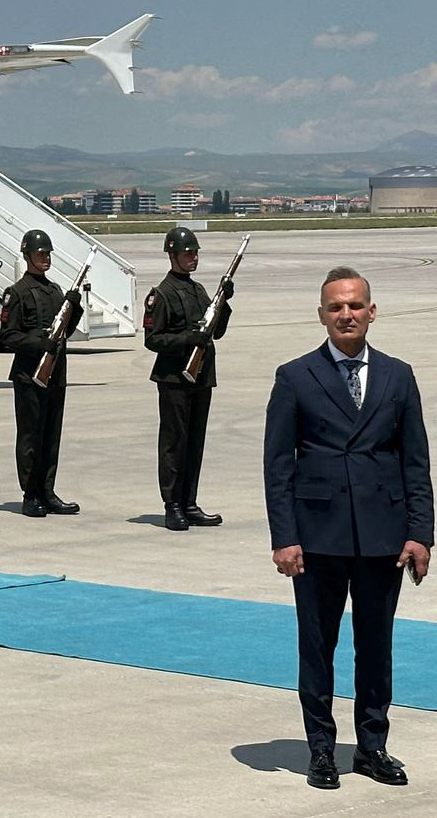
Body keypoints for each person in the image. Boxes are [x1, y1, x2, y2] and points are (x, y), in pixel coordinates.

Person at [264, 266, 431, 790]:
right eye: (336, 307)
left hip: (382, 536)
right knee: (317, 645)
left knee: (375, 646)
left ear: (371, 311)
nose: (346, 314)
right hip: (317, 538)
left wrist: (421, 533)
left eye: (355, 305)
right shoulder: (294, 377)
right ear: (322, 315)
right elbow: (278, 466)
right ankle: (320, 750)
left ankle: (371, 746)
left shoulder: (397, 375)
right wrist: (284, 537)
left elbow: (415, 462)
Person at [144, 226, 231, 531]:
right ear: (173, 255)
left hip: (201, 376)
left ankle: (189, 502)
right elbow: (153, 339)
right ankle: (172, 505)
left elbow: (215, 331)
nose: (193, 258)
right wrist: (187, 340)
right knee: (174, 443)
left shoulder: (198, 291)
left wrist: (225, 303)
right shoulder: (162, 294)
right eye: (187, 253)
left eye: (195, 253)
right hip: (174, 378)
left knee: (195, 442)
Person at [0, 229, 83, 518]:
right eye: (39, 254)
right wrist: (39, 343)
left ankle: (48, 491)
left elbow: (65, 332)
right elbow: (8, 336)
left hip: (55, 373)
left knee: (51, 435)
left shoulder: (54, 291)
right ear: (27, 257)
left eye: (47, 254)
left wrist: (75, 308)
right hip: (28, 375)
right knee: (31, 436)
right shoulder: (17, 293)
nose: (45, 258)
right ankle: (30, 494)